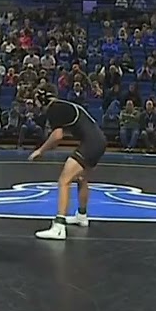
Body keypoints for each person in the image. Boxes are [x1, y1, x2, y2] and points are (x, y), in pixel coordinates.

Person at [27, 84, 107, 240]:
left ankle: (59, 227)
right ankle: (82, 216)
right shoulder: (64, 106)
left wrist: (40, 150)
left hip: (91, 143)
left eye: (36, 100)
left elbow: (57, 136)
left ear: (43, 98)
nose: (36, 104)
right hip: (99, 142)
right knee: (82, 178)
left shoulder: (55, 108)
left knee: (64, 180)